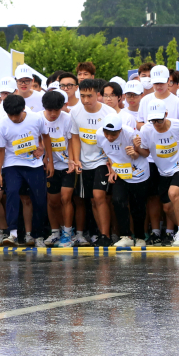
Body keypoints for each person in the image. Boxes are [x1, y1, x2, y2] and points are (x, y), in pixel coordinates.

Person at [0, 95, 51, 247]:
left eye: (17, 115)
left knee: (39, 199)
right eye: (10, 115)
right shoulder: (1, 125)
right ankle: (12, 233)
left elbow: (45, 136)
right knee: (12, 192)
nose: (14, 118)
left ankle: (37, 236)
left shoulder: (36, 119)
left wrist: (47, 158)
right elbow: (0, 151)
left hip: (34, 164)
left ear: (23, 109)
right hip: (12, 163)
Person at [137, 99, 179, 246]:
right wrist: (137, 148)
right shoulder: (145, 130)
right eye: (153, 120)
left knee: (174, 193)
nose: (157, 123)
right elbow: (145, 153)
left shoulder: (178, 124)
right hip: (163, 171)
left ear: (166, 114)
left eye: (159, 119)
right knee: (167, 207)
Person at [69, 78, 117, 246]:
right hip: (84, 162)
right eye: (82, 96)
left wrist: (112, 164)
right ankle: (99, 233)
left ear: (98, 95)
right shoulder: (74, 112)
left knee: (99, 196)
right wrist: (76, 160)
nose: (85, 100)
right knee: (91, 200)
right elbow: (75, 137)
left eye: (89, 96)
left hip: (102, 160)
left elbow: (113, 140)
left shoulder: (109, 113)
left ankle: (106, 235)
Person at [99, 116, 151, 247]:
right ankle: (125, 235)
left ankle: (140, 237)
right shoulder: (99, 135)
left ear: (120, 130)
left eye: (114, 134)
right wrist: (112, 169)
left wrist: (134, 152)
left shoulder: (130, 134)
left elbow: (142, 155)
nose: (109, 137)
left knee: (137, 206)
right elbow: (109, 153)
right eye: (107, 134)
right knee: (117, 200)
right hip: (120, 172)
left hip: (138, 171)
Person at [40, 90, 75, 246]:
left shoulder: (68, 119)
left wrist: (73, 161)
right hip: (49, 165)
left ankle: (68, 233)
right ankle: (55, 232)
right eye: (50, 110)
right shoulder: (38, 118)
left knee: (65, 198)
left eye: (57, 110)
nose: (53, 114)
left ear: (63, 107)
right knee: (53, 201)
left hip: (66, 165)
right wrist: (45, 159)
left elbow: (72, 141)